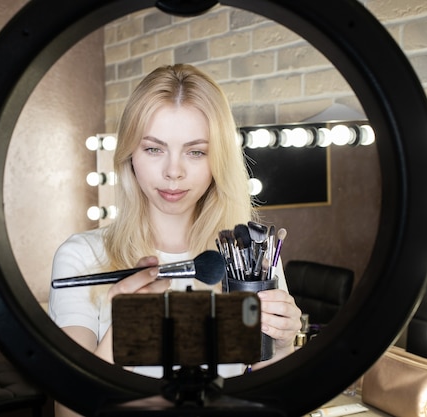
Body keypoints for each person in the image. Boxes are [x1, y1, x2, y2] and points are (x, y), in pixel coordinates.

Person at [48, 63, 301, 416]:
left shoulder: (250, 258)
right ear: (130, 156)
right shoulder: (80, 257)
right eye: (154, 149)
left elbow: (276, 403)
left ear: (218, 161)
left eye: (195, 151)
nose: (173, 171)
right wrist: (127, 327)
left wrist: (284, 346)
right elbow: (69, 412)